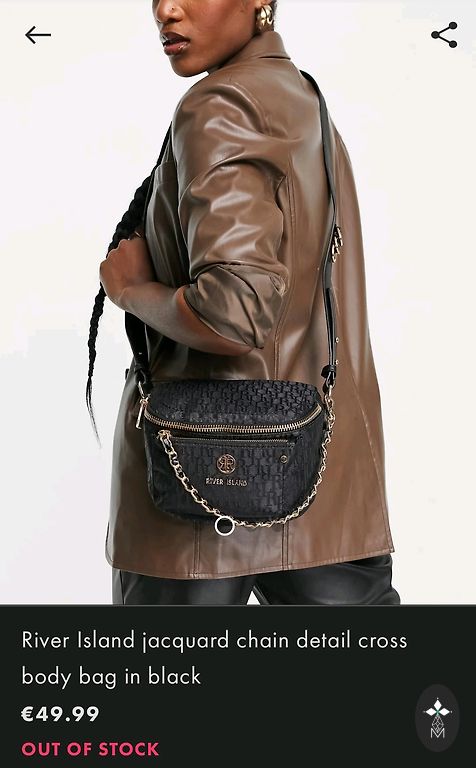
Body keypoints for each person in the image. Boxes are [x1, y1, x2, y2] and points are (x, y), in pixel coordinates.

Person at [88, 0, 401, 606]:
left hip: (196, 493)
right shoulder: (302, 98)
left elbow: (233, 313)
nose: (166, 10)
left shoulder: (220, 106)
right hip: (327, 487)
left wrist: (130, 291)